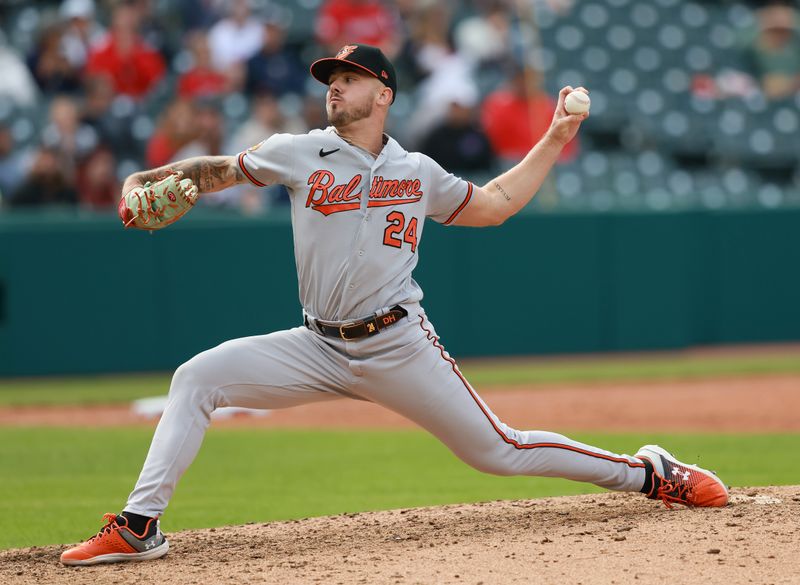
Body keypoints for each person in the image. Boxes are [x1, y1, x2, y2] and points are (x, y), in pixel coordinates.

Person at [60, 43, 729, 566]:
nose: (333, 86)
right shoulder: (298, 152)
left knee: (500, 450)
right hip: (317, 344)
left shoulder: (417, 173)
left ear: (383, 92)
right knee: (197, 377)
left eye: (347, 78)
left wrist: (554, 136)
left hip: (397, 342)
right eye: (329, 78)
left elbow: (493, 205)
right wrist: (140, 182)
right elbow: (217, 171)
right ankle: (139, 526)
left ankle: (650, 473)